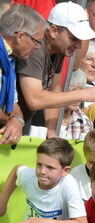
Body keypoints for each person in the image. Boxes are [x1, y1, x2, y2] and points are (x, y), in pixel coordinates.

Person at [16, 2, 95, 137]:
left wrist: (51, 132)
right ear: (53, 31)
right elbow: (34, 99)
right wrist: (84, 94)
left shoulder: (59, 50)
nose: (79, 45)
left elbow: (55, 89)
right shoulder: (36, 48)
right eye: (74, 38)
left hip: (19, 120)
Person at [0, 5, 45, 143]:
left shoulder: (9, 58)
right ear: (20, 36)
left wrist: (17, 119)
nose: (38, 47)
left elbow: (12, 102)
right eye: (37, 41)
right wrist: (11, 120)